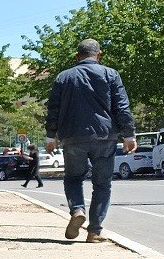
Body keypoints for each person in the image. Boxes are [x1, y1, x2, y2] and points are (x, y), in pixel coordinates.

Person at [45, 38, 135, 243]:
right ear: (99, 55)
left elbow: (54, 110)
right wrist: (129, 135)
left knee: (73, 178)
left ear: (77, 57)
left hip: (73, 137)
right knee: (102, 185)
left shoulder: (63, 77)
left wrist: (51, 136)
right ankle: (94, 231)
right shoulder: (111, 74)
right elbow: (122, 107)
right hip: (105, 137)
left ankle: (77, 210)